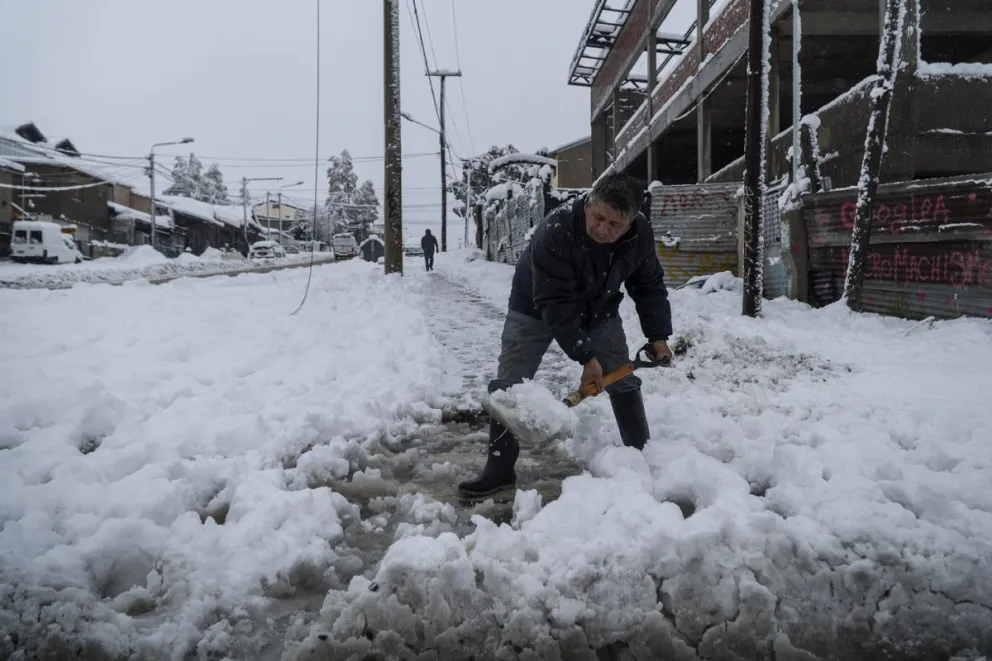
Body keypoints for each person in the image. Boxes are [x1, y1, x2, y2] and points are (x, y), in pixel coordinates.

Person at [458, 172, 674, 498]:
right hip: (534, 307)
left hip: (599, 309)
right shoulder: (556, 231)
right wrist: (586, 357)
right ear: (589, 204)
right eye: (598, 217)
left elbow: (649, 285)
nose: (602, 229)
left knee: (622, 380)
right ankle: (498, 470)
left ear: (631, 223)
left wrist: (658, 335)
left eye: (614, 225)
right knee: (510, 386)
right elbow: (555, 304)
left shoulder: (639, 235)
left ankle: (641, 456)